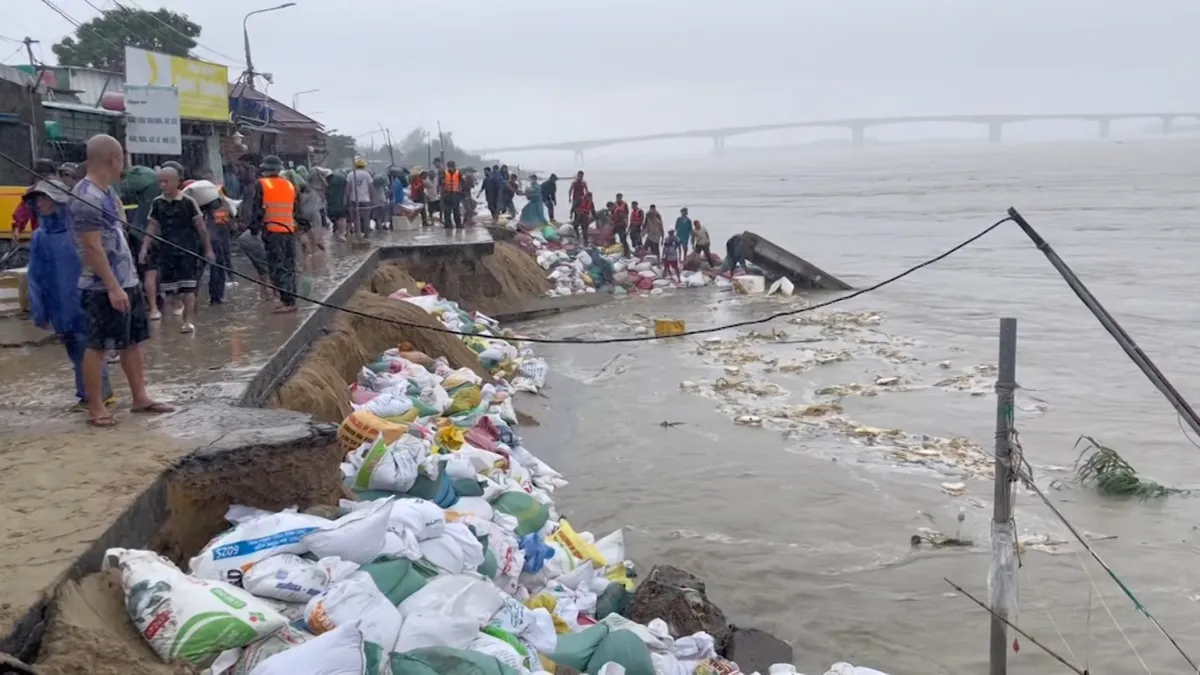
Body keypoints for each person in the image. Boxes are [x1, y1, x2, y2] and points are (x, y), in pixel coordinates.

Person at [71, 134, 174, 426]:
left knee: (131, 341)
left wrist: (127, 282)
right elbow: (92, 246)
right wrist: (113, 286)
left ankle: (140, 397)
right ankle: (96, 407)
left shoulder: (107, 193)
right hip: (101, 286)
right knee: (99, 345)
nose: (124, 166)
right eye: (123, 158)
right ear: (114, 159)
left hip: (124, 280)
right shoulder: (86, 196)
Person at [26, 179, 115, 410]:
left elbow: (100, 260)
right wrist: (39, 310)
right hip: (57, 303)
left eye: (45, 198)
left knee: (89, 346)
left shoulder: (79, 232)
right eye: (37, 199)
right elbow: (35, 277)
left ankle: (99, 394)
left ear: (60, 200)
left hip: (83, 298)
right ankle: (86, 394)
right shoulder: (39, 237)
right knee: (73, 349)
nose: (41, 204)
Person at [141, 167, 212, 333]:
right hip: (167, 250)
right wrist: (144, 247)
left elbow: (201, 227)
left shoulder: (188, 202)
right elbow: (152, 226)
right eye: (160, 181)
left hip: (187, 249)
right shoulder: (157, 203)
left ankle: (188, 321)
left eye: (165, 181)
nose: (162, 185)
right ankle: (177, 308)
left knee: (188, 287)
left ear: (176, 182)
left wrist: (208, 249)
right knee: (169, 289)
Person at [243, 155, 309, 314]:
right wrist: (304, 227)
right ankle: (290, 299)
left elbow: (257, 210)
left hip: (273, 232)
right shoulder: (290, 185)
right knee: (289, 266)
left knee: (276, 267)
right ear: (279, 169)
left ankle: (288, 301)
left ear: (265, 170)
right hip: (288, 231)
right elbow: (297, 211)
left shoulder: (262, 184)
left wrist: (253, 229)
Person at [10, 158, 60, 243]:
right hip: (46, 233)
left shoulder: (60, 189)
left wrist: (17, 228)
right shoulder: (35, 190)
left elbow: (23, 210)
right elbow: (24, 209)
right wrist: (17, 227)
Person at [345, 158, 374, 239]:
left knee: (356, 219)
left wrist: (347, 199)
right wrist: (372, 198)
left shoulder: (350, 174)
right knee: (366, 218)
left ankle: (358, 234)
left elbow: (348, 189)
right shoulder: (367, 174)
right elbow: (371, 188)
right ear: (364, 166)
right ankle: (367, 234)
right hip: (366, 200)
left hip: (354, 200)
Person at [326, 168, 348, 241]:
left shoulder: (330, 184)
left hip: (333, 204)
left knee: (336, 217)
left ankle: (338, 231)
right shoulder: (342, 181)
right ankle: (342, 233)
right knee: (341, 218)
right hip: (341, 203)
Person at [441, 160, 464, 229]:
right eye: (449, 166)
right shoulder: (444, 173)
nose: (450, 168)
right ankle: (448, 225)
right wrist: (442, 182)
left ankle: (458, 225)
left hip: (455, 194)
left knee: (456, 211)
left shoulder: (458, 173)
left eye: (451, 166)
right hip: (447, 194)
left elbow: (462, 182)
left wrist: (461, 190)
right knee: (447, 211)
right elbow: (440, 182)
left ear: (454, 166)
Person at [611, 192, 630, 257]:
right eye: (617, 197)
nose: (618, 198)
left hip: (622, 224)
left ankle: (627, 253)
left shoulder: (625, 204)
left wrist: (626, 222)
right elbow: (612, 213)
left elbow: (627, 213)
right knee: (611, 237)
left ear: (621, 197)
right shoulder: (614, 204)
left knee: (623, 239)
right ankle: (613, 250)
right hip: (615, 224)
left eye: (619, 197)